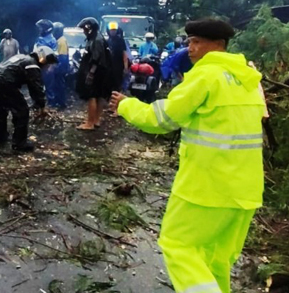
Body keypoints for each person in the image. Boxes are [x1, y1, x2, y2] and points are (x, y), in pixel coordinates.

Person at [109, 19, 265, 293]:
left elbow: (161, 119)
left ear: (218, 45)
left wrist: (127, 105)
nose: (189, 48)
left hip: (207, 187)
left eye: (196, 42)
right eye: (189, 42)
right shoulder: (248, 79)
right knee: (215, 258)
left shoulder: (206, 76)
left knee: (177, 244)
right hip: (246, 190)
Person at [0, 46, 58, 152]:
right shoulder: (32, 64)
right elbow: (35, 86)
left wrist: (38, 102)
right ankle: (19, 144)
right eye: (48, 63)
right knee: (22, 111)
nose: (47, 66)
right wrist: (42, 105)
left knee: (2, 108)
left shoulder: (22, 57)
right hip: (6, 83)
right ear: (43, 57)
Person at [76, 17, 111, 130]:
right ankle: (96, 120)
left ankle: (90, 123)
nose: (84, 31)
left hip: (96, 71)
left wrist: (91, 73)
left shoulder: (96, 40)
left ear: (90, 28)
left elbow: (96, 58)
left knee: (92, 95)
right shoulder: (96, 38)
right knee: (98, 95)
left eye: (85, 29)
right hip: (100, 71)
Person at [107, 23, 129, 93]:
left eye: (114, 30)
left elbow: (124, 54)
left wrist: (125, 67)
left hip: (118, 67)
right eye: (111, 30)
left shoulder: (120, 41)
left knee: (118, 85)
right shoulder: (108, 41)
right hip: (109, 67)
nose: (113, 32)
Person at [52, 22, 69, 109]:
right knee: (56, 85)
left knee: (59, 85)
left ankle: (62, 103)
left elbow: (62, 57)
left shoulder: (61, 41)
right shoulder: (59, 40)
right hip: (59, 66)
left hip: (60, 67)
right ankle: (58, 101)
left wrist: (57, 68)